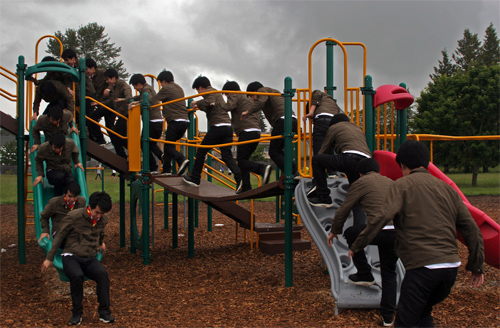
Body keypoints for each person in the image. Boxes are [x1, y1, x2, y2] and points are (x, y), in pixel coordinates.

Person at [349, 140, 484, 327]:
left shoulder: (400, 186)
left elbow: (381, 218)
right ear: (426, 163)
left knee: (404, 322)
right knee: (423, 313)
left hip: (423, 269)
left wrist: (357, 244)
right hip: (450, 270)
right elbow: (472, 229)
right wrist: (476, 265)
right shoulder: (448, 190)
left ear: (403, 165)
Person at [327, 158, 397, 327]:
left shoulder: (361, 182)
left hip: (376, 231)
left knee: (352, 233)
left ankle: (365, 272)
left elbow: (345, 208)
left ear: (360, 173)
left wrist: (335, 229)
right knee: (389, 273)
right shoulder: (391, 182)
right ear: (378, 171)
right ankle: (388, 317)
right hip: (396, 232)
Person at [41, 191, 115, 325]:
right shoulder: (74, 216)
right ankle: (76, 313)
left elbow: (101, 232)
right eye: (97, 212)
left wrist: (100, 243)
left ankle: (104, 312)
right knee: (77, 275)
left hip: (89, 257)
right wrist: (49, 258)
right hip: (71, 256)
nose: (99, 216)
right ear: (90, 207)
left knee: (102, 274)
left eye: (102, 214)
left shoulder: (102, 219)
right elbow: (59, 237)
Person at [183, 76, 241, 190]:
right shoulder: (215, 93)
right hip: (227, 127)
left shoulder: (210, 92)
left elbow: (210, 101)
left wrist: (196, 102)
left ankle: (195, 178)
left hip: (218, 127)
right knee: (227, 156)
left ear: (201, 87)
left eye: (198, 90)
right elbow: (211, 106)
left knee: (201, 151)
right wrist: (199, 106)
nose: (198, 93)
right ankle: (240, 178)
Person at [307, 113, 371, 208]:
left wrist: (317, 178)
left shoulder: (334, 127)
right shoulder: (357, 128)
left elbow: (324, 150)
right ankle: (360, 222)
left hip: (349, 159)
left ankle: (323, 198)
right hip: (366, 162)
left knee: (317, 160)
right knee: (355, 194)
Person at [220, 81, 271, 193]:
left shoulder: (236, 95)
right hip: (256, 132)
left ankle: (262, 169)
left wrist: (216, 103)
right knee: (244, 160)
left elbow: (228, 107)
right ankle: (246, 187)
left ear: (230, 92)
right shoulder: (247, 97)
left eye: (226, 95)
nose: (227, 98)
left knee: (241, 161)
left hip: (247, 131)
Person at [241, 81, 298, 177]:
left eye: (252, 96)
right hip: (291, 119)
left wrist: (248, 112)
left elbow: (261, 102)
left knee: (273, 152)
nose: (253, 100)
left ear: (255, 92)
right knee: (279, 150)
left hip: (283, 120)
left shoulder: (263, 91)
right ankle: (293, 170)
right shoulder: (273, 93)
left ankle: (292, 171)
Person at [151, 70, 189, 176]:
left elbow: (153, 100)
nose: (161, 86)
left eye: (161, 83)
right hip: (185, 121)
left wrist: (139, 103)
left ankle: (181, 159)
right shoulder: (179, 88)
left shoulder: (167, 89)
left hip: (175, 121)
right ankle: (167, 169)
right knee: (169, 144)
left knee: (168, 147)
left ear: (164, 81)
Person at [128, 74, 163, 174]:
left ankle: (152, 167)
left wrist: (136, 103)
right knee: (150, 143)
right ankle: (161, 156)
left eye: (135, 86)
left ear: (139, 84)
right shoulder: (146, 89)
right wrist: (126, 100)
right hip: (157, 121)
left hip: (152, 121)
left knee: (143, 143)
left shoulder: (146, 89)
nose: (135, 88)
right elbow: (138, 97)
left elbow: (147, 99)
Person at [104, 68, 132, 159]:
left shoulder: (122, 84)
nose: (107, 81)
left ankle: (126, 155)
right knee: (119, 137)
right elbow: (113, 100)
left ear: (113, 78)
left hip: (126, 115)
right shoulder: (114, 87)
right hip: (121, 115)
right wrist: (99, 103)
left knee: (116, 135)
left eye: (108, 79)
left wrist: (125, 99)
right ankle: (126, 155)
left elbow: (128, 94)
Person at [302, 90, 341, 155]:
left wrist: (311, 112)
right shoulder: (333, 102)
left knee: (318, 151)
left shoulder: (319, 94)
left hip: (322, 120)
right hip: (334, 124)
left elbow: (316, 93)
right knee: (330, 149)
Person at [87, 58, 116, 145]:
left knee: (92, 118)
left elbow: (112, 82)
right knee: (109, 126)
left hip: (109, 102)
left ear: (92, 68)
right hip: (102, 103)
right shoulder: (90, 78)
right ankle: (117, 144)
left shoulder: (101, 73)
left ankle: (101, 140)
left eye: (87, 69)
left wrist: (109, 89)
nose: (86, 72)